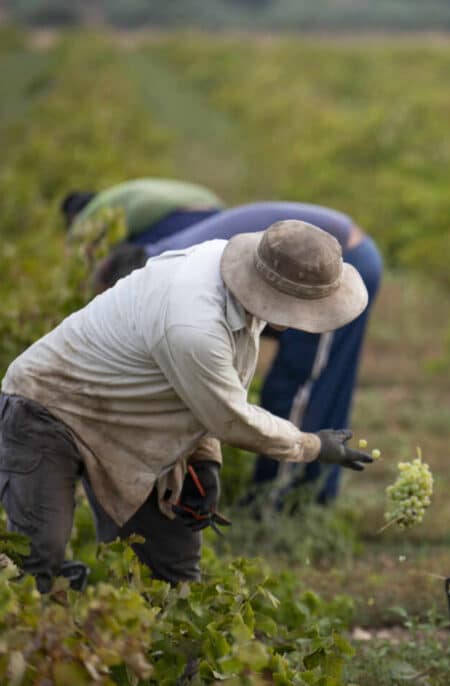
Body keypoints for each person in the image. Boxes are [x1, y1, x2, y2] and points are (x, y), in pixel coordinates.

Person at [0, 220, 374, 592]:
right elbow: (231, 417)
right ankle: (45, 641)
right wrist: (311, 445)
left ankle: (151, 648)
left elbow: (214, 391)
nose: (297, 325)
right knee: (38, 560)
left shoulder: (239, 284)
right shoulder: (194, 324)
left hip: (137, 420)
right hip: (47, 406)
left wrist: (204, 461)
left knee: (172, 570)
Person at [94, 201, 383, 509]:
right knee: (320, 383)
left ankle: (274, 505)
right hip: (329, 254)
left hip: (328, 267)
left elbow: (222, 407)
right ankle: (312, 493)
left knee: (299, 387)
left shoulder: (176, 287)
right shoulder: (164, 261)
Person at [61, 177, 224, 245]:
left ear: (74, 216)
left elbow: (75, 243)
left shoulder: (88, 213)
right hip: (214, 209)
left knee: (134, 260)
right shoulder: (118, 194)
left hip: (178, 217)